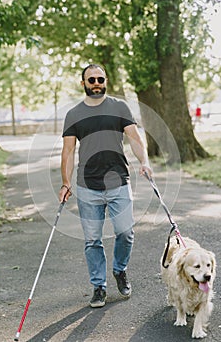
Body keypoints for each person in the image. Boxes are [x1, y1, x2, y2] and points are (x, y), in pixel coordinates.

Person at [59, 64, 152, 308]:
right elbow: (68, 152)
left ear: (106, 80)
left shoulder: (119, 107)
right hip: (88, 186)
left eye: (100, 78)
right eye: (92, 80)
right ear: (84, 84)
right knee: (92, 240)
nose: (97, 83)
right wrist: (65, 183)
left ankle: (119, 270)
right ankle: (99, 286)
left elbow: (134, 138)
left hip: (119, 181)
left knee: (125, 232)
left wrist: (145, 162)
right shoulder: (74, 114)